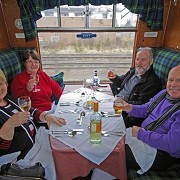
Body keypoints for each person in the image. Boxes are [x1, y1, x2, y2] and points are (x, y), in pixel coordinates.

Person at [122, 65, 180, 171]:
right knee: (111, 139)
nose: (173, 84)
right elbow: (147, 109)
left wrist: (141, 134)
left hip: (161, 153)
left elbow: (172, 145)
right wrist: (129, 107)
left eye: (179, 81)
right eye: (171, 80)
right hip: (146, 138)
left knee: (113, 152)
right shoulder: (164, 94)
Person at [0, 70, 66, 160]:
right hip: (25, 157)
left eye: (0, 84)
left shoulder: (9, 99)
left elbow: (32, 111)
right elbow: (2, 151)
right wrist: (9, 125)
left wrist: (46, 116)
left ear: (6, 84)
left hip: (38, 139)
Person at [107, 47, 162, 127]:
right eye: (137, 59)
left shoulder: (153, 82)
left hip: (126, 111)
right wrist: (115, 78)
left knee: (102, 121)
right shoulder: (134, 71)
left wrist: (122, 102)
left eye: (143, 60)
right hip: (117, 101)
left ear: (151, 61)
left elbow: (142, 104)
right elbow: (123, 82)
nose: (138, 63)